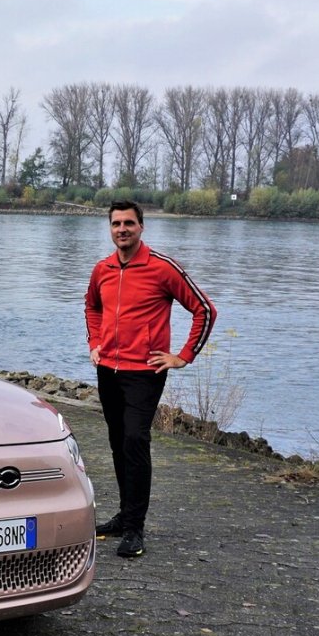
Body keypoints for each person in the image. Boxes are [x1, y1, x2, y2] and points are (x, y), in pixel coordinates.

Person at [85, 201, 216, 558]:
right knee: (118, 443)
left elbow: (204, 310)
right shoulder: (103, 269)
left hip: (144, 373)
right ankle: (124, 516)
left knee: (135, 440)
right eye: (116, 224)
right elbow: (92, 307)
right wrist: (95, 343)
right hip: (107, 370)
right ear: (110, 229)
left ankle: (135, 529)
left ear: (141, 226)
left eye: (129, 223)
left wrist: (183, 356)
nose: (122, 229)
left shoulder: (162, 268)